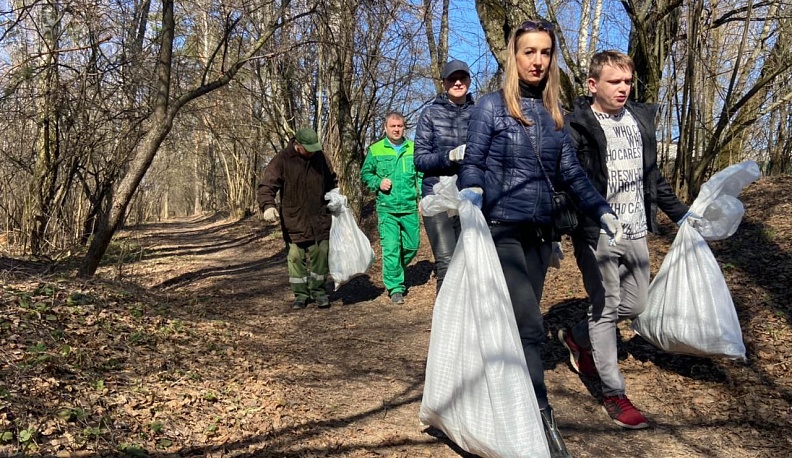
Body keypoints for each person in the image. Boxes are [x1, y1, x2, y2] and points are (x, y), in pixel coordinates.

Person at [458, 20, 623, 458]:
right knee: (531, 328)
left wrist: (601, 208)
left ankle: (498, 395)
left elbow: (571, 174)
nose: (537, 60)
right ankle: (539, 417)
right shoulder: (491, 108)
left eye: (545, 52)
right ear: (514, 57)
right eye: (528, 52)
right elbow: (472, 161)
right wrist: (471, 188)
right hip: (500, 231)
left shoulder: (555, 116)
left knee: (515, 326)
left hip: (539, 234)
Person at [559, 50, 694, 430]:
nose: (623, 88)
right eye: (614, 82)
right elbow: (570, 180)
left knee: (637, 303)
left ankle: (577, 336)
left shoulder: (639, 120)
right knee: (607, 306)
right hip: (596, 231)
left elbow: (654, 178)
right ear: (593, 85)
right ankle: (614, 393)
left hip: (635, 227)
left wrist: (682, 214)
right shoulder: (577, 126)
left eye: (627, 81)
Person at [257, 127, 338, 310]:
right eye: (308, 149)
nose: (311, 152)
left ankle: (319, 291)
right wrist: (268, 206)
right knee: (295, 258)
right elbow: (266, 186)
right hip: (294, 219)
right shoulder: (282, 159)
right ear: (298, 145)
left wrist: (335, 198)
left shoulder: (321, 158)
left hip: (320, 218)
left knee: (321, 254)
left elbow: (332, 182)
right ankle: (301, 294)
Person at [414, 59, 475, 293]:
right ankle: (445, 327)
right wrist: (449, 156)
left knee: (469, 264)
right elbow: (419, 159)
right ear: (444, 83)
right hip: (436, 195)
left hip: (470, 196)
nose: (457, 82)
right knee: (447, 263)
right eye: (452, 78)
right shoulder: (430, 115)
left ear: (469, 81)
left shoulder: (480, 112)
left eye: (462, 78)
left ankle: (467, 324)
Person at [360, 112, 422, 305]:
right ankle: (395, 287)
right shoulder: (376, 149)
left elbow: (420, 175)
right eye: (393, 126)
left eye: (400, 126)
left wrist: (423, 197)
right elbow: (365, 174)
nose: (396, 129)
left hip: (410, 207)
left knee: (412, 245)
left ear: (404, 128)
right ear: (385, 128)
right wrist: (378, 182)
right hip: (387, 208)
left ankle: (395, 270)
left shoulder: (414, 148)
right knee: (391, 248)